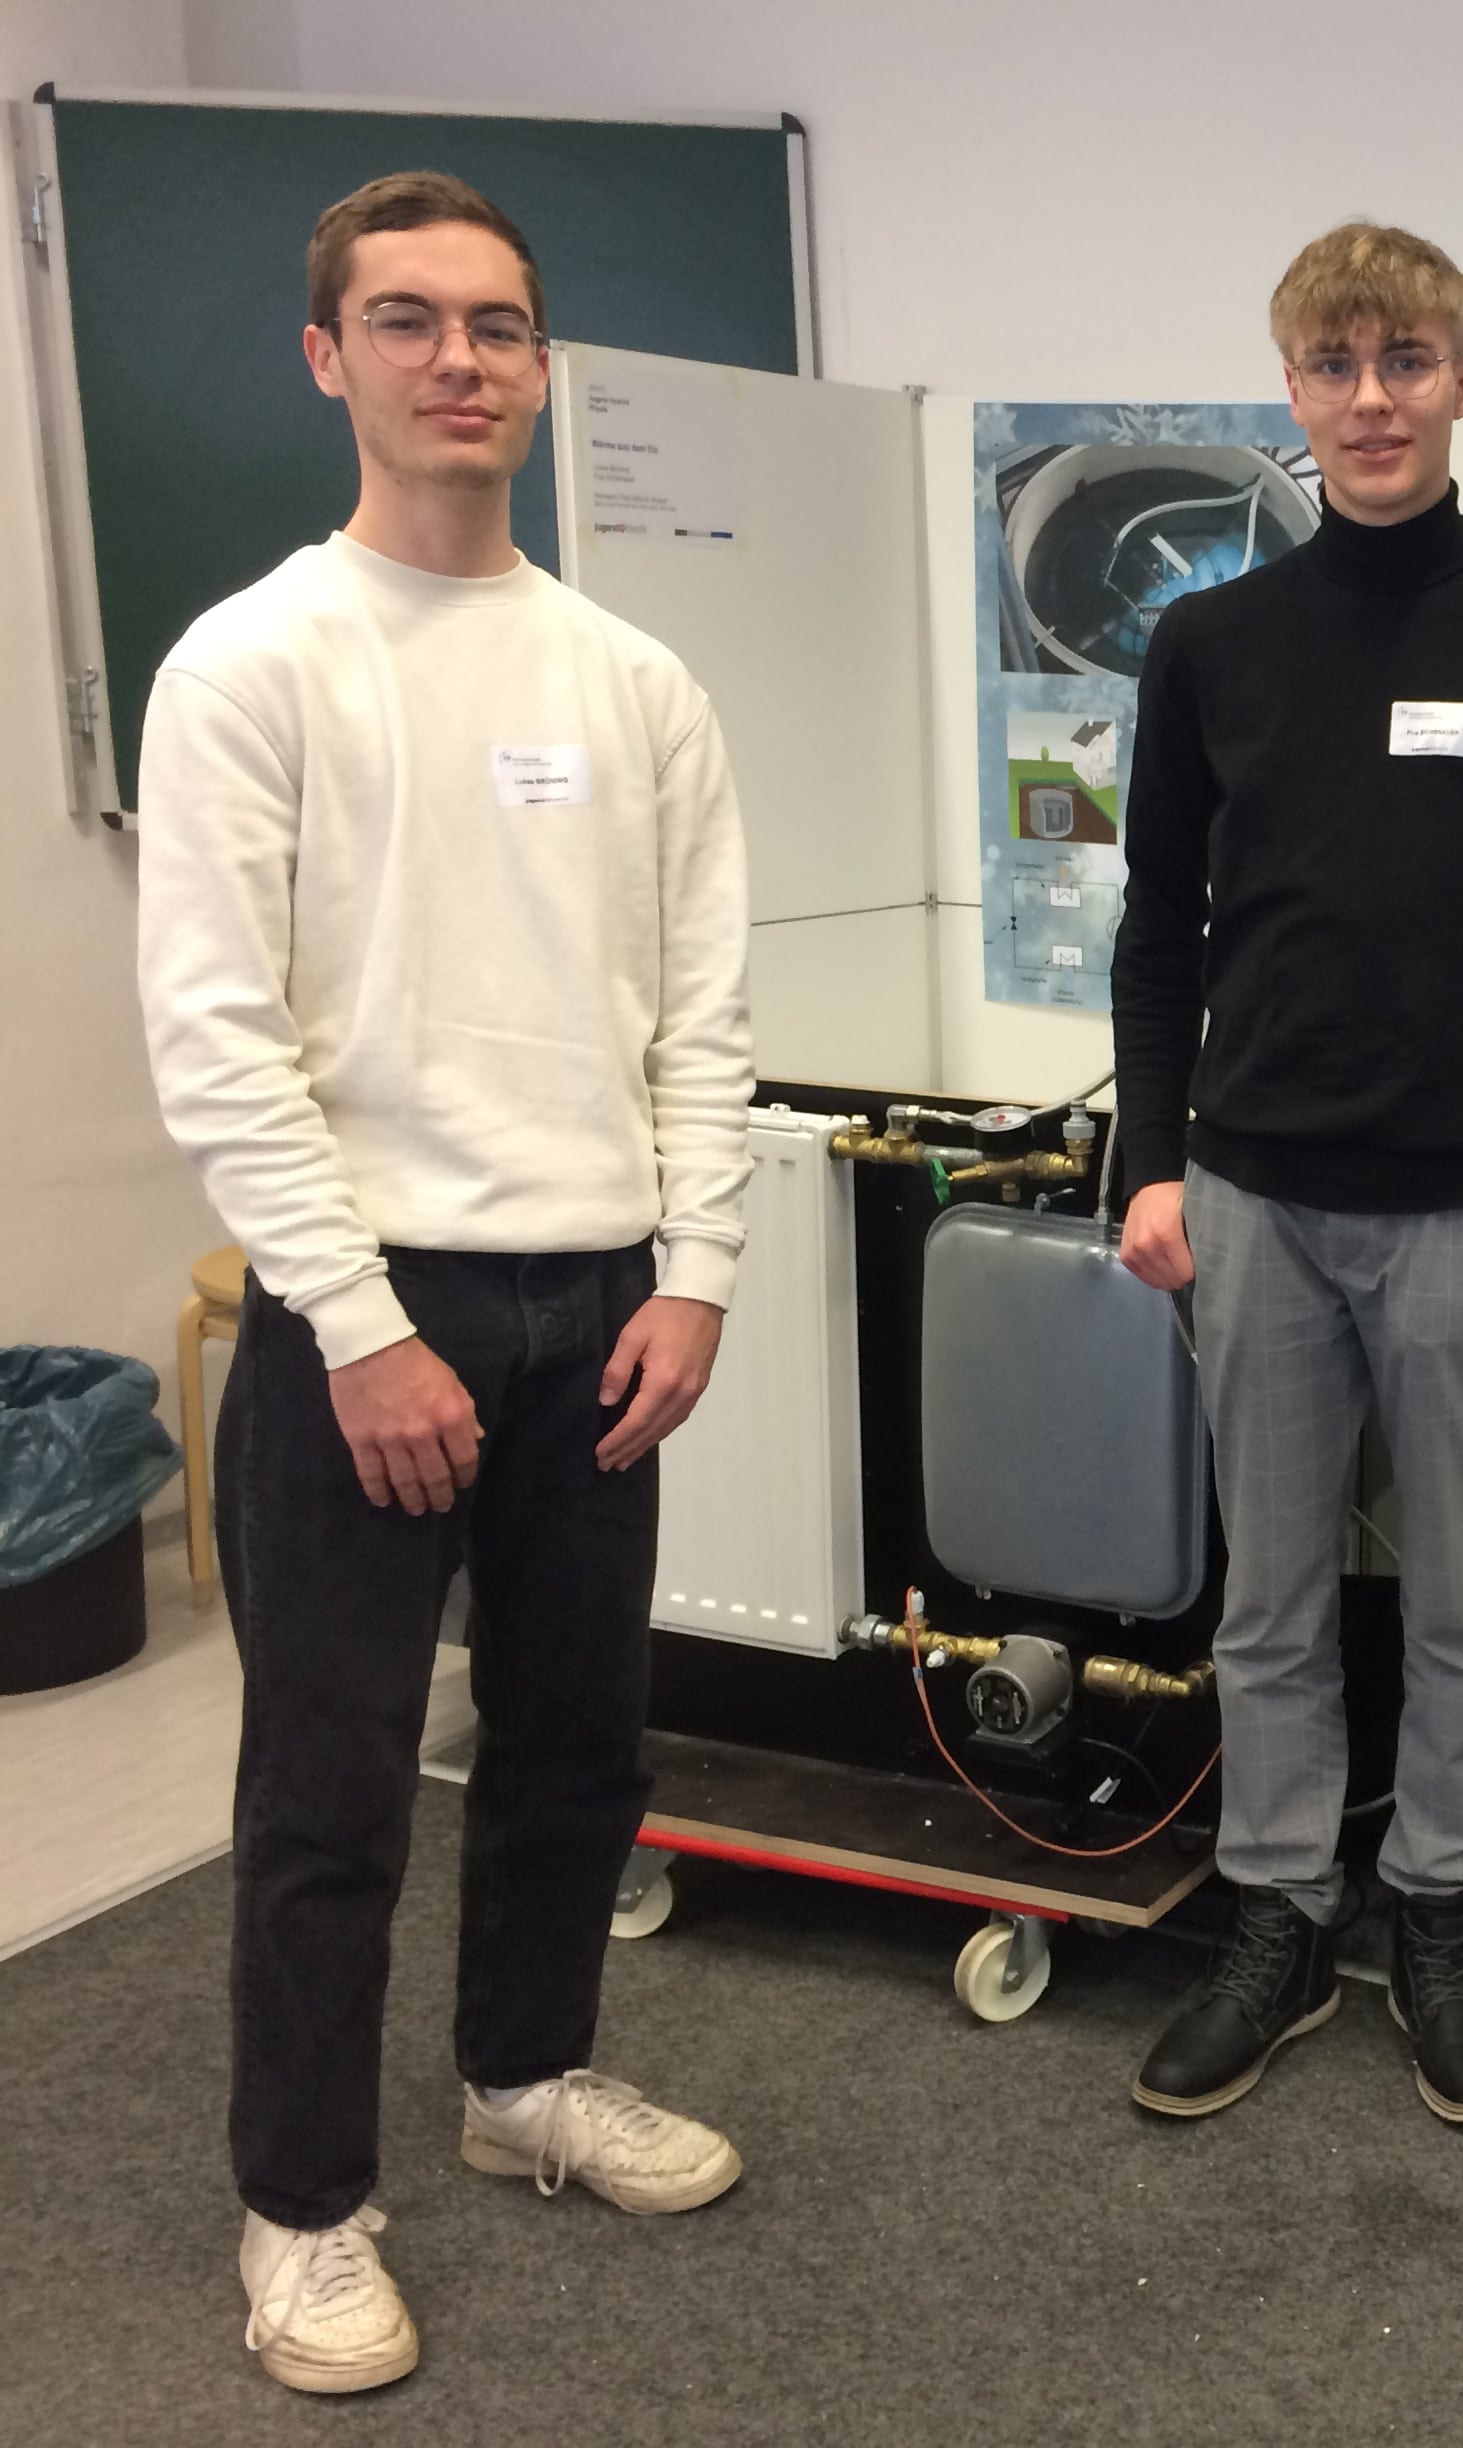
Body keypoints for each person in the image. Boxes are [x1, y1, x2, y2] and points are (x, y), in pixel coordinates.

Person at [135, 171, 756, 2395]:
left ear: (541, 365)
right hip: (363, 1315)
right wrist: (360, 1320)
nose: (457, 360)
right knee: (329, 1789)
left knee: (578, 1744)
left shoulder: (633, 681)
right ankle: (303, 2210)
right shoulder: (252, 663)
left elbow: (702, 1012)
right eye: (406, 321)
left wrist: (698, 1271)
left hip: (601, 1304)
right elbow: (219, 1038)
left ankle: (524, 2082)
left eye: (494, 324)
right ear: (331, 359)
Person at [1110, 221, 1463, 2125]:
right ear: (1290, 385)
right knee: (1270, 1602)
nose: (1372, 400)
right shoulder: (1210, 645)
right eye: (1336, 364)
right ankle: (1280, 1915)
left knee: (1460, 1605)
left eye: (1408, 361)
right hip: (1253, 1207)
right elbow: (1158, 937)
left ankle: (1441, 1912)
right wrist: (1153, 1163)